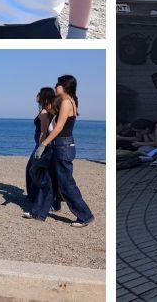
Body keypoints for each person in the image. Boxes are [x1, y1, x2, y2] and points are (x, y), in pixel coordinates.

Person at [27, 75, 94, 226]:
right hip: (60, 145)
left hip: (62, 145)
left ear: (65, 87)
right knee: (49, 180)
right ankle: (38, 212)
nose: (55, 87)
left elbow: (59, 127)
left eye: (58, 84)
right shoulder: (67, 101)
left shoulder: (66, 102)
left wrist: (43, 144)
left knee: (66, 184)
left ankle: (85, 215)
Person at [25, 87, 61, 216]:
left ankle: (38, 199)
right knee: (33, 170)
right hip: (41, 144)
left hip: (41, 145)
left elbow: (43, 131)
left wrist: (41, 146)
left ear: (44, 96)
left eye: (39, 93)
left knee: (35, 171)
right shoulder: (45, 110)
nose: (36, 95)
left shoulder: (45, 111)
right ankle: (36, 198)